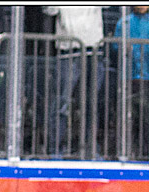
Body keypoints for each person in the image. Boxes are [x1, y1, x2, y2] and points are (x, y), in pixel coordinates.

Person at [44, 6, 107, 158]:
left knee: (92, 104)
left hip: (94, 51)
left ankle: (91, 148)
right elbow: (48, 9)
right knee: (62, 103)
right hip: (68, 51)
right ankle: (55, 149)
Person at [112, 5, 149, 160]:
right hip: (128, 76)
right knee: (129, 117)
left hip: (148, 77)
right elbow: (115, 45)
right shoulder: (124, 22)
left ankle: (146, 153)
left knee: (147, 118)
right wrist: (123, 47)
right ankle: (127, 152)